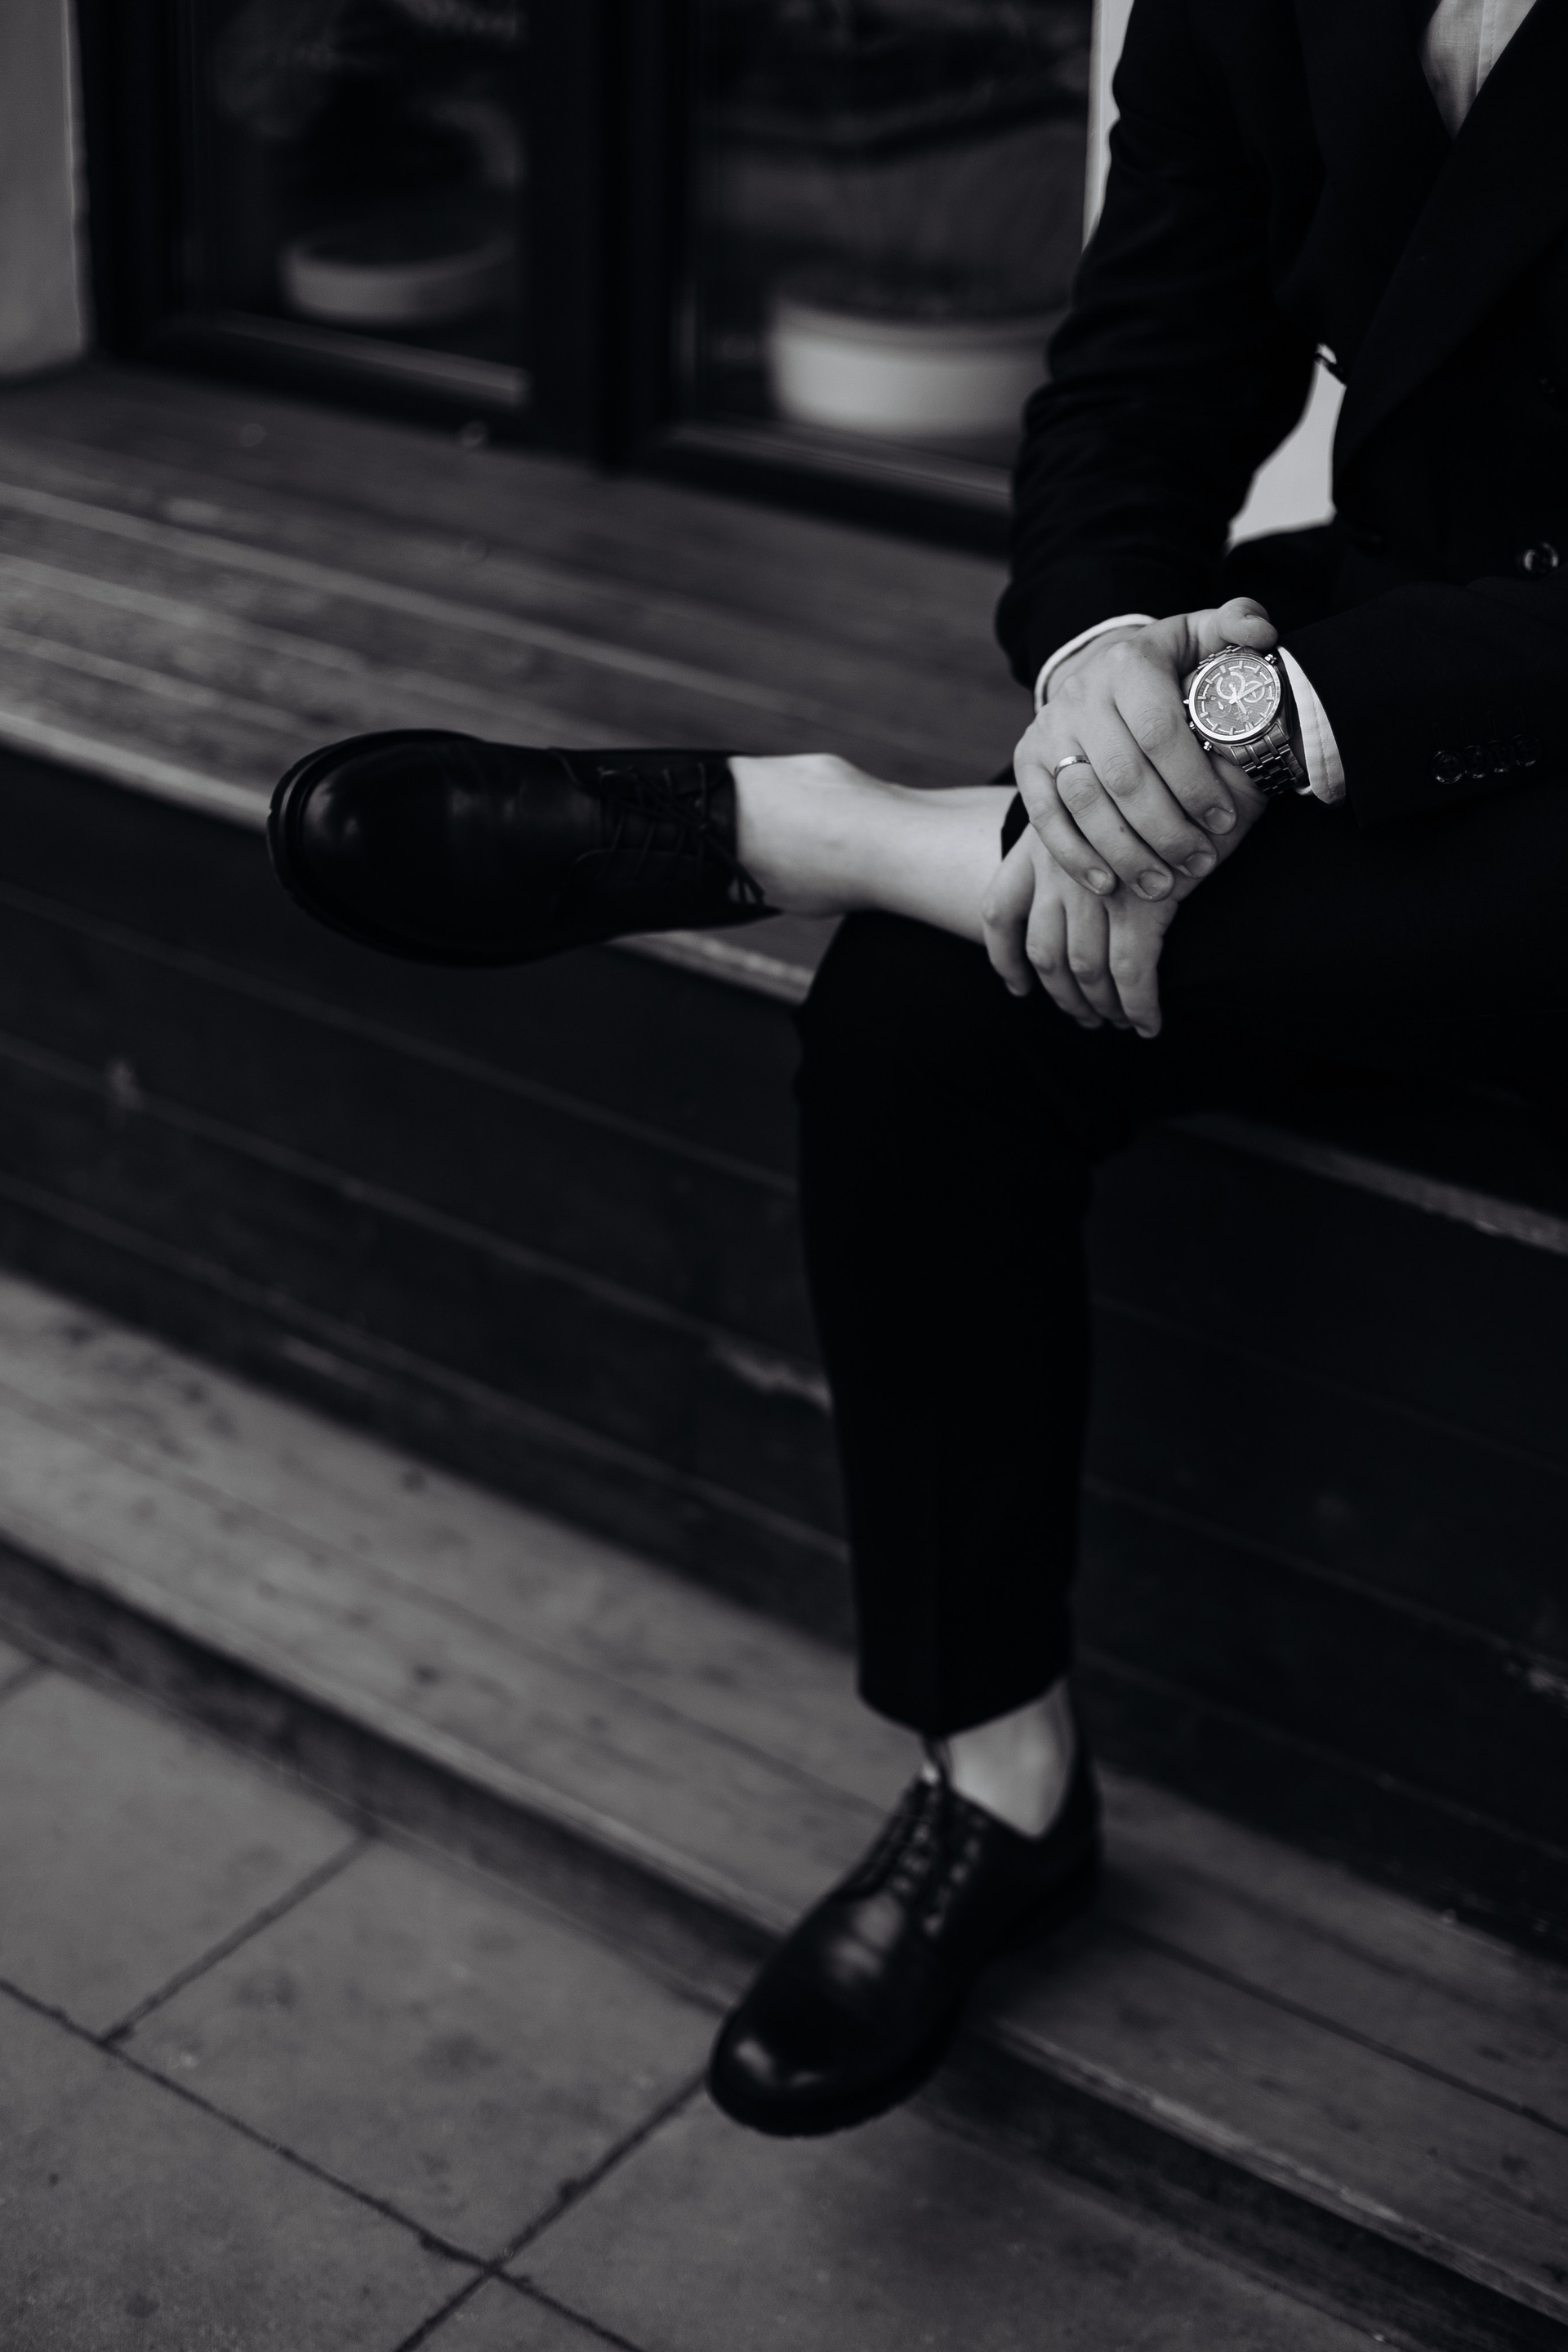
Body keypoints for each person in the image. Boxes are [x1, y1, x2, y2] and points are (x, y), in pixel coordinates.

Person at [267, 0, 1566, 2138]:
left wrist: (1258, 733)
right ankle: (1000, 1783)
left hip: (1485, 721)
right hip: (1387, 654)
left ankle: (848, 836)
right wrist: (1105, 669)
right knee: (920, 1012)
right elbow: (1151, 364)